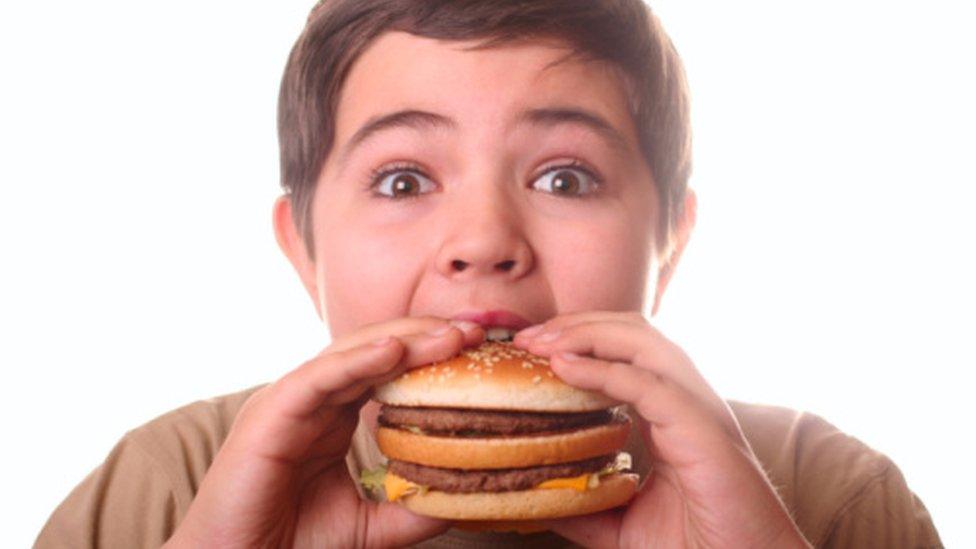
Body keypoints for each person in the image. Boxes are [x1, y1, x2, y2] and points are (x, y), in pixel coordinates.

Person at [36, 1, 942, 547]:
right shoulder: (162, 489)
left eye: (565, 177)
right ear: (302, 249)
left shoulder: (830, 495)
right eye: (402, 179)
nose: (484, 242)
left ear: (670, 242)